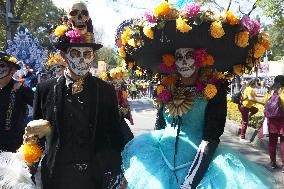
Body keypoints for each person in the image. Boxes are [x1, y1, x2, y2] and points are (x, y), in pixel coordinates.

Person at [116, 2, 274, 189]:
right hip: (160, 164)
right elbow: (161, 127)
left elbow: (210, 139)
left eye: (189, 56)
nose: (183, 62)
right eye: (179, 57)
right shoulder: (167, 88)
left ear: (199, 59)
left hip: (202, 172)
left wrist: (190, 182)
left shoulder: (214, 91)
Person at [24, 1, 127, 188]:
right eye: (75, 54)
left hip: (94, 177)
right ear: (63, 56)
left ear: (93, 56)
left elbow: (114, 134)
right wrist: (29, 155)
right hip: (56, 176)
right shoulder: (45, 89)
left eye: (87, 54)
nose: (82, 59)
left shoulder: (105, 90)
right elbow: (37, 135)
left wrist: (118, 170)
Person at [0, 52, 34, 152]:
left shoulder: (21, 89)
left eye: (2, 65)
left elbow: (41, 108)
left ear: (13, 69)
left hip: (14, 146)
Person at [264, 75, 284, 171]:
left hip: (272, 120)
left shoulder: (271, 91)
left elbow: (265, 103)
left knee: (272, 142)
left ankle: (272, 162)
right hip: (283, 120)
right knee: (283, 142)